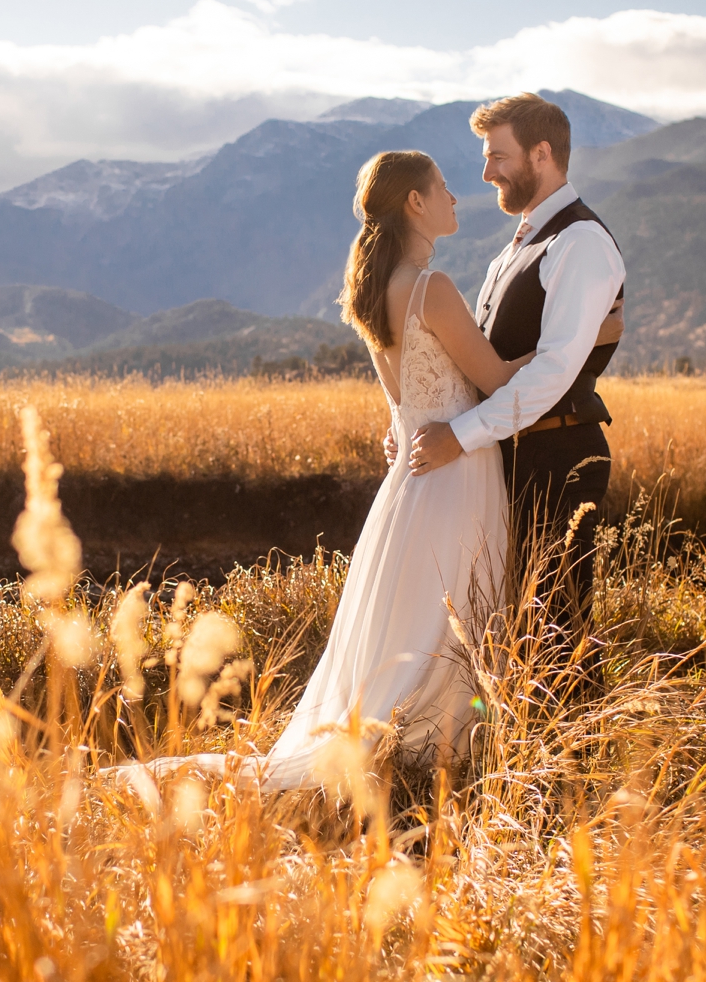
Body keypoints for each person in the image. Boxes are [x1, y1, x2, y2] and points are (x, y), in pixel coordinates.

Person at [130, 149, 533, 796]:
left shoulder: (376, 293)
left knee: (416, 616)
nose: (457, 197)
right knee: (455, 605)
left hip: (413, 481)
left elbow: (402, 408)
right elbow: (496, 381)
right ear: (415, 203)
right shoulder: (433, 288)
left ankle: (410, 747)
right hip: (457, 473)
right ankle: (443, 747)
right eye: (444, 188)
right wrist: (584, 339)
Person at [406, 94, 625, 664]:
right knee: (515, 624)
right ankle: (523, 746)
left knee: (555, 629)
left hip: (558, 456)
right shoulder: (524, 243)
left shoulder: (580, 242)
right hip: (513, 454)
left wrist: (460, 435)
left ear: (542, 153)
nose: (485, 173)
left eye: (497, 157)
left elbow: (554, 369)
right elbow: (485, 358)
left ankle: (574, 754)